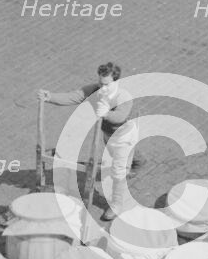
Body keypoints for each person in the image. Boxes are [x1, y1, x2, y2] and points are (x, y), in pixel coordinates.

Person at [37, 62, 144, 221]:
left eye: (106, 84)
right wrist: (50, 97)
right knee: (117, 156)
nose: (102, 87)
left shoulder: (123, 97)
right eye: (100, 82)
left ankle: (116, 205)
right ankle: (137, 160)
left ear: (116, 81)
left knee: (118, 171)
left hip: (124, 136)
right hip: (108, 134)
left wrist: (107, 114)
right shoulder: (95, 90)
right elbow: (74, 96)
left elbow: (120, 116)